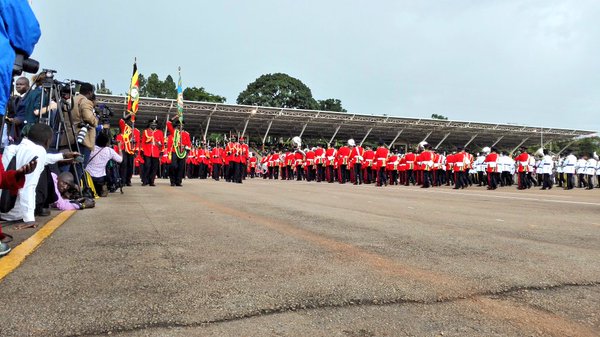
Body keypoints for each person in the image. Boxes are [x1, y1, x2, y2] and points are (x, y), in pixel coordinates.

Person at [1, 123, 79, 228]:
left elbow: (44, 159)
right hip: (13, 213)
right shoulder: (39, 151)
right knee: (44, 171)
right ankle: (45, 205)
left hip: (2, 207)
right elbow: (28, 186)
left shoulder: (11, 149)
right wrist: (29, 220)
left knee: (43, 164)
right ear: (47, 141)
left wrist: (63, 156)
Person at [86, 133, 122, 197]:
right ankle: (101, 190)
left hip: (88, 177)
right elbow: (120, 160)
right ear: (106, 143)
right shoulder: (109, 151)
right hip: (100, 179)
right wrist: (119, 148)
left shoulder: (90, 148)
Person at [141, 119, 163, 186]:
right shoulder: (145, 132)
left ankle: (151, 181)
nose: (154, 125)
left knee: (154, 167)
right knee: (147, 166)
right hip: (147, 152)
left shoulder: (160, 132)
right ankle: (145, 180)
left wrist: (161, 151)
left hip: (156, 152)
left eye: (155, 124)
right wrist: (142, 150)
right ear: (150, 124)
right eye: (152, 124)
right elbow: (143, 142)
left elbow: (162, 142)